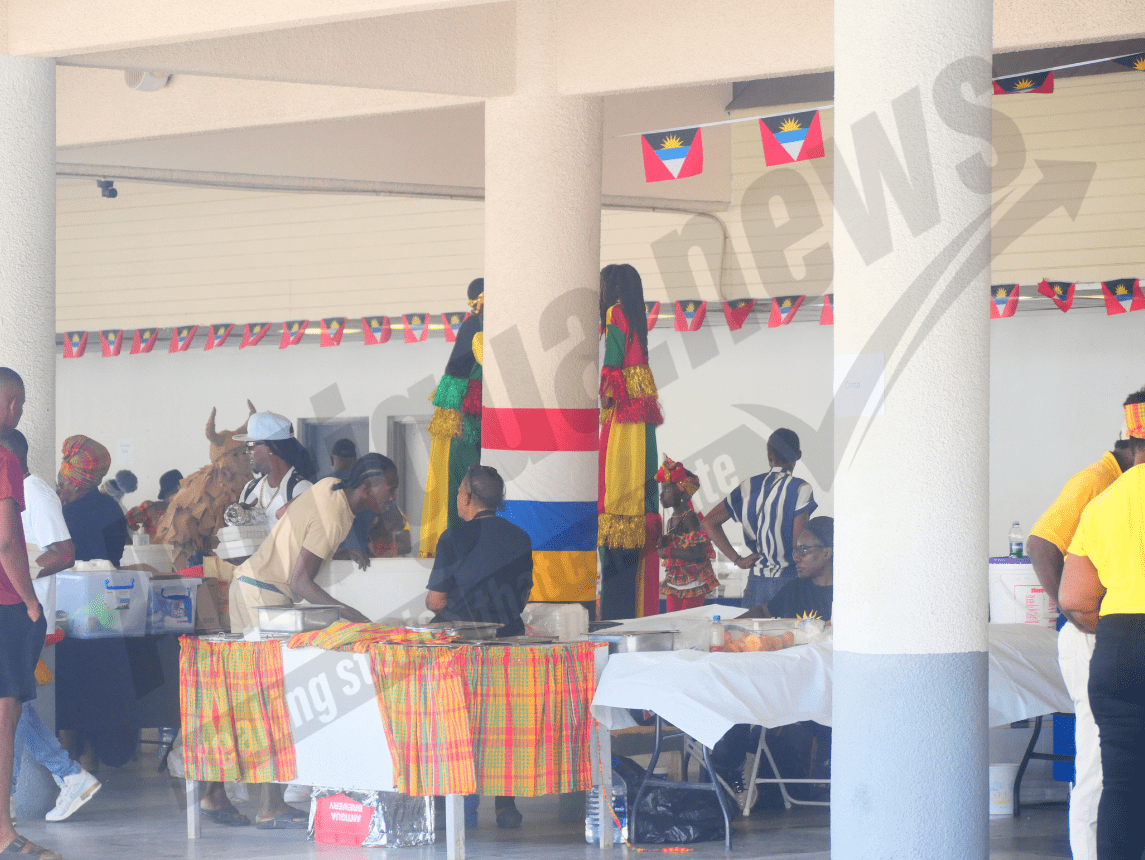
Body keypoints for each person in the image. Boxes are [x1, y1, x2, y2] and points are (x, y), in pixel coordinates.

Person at [200, 454, 398, 830]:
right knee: (274, 701)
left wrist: (338, 549)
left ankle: (221, 795)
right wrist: (352, 615)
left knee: (251, 699)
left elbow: (286, 518)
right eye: (391, 488)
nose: (392, 497)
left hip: (249, 584)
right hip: (266, 597)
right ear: (368, 486)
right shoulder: (336, 515)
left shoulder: (328, 487)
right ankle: (266, 804)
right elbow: (303, 582)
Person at [1028, 434, 1138, 860]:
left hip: (1112, 633)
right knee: (1098, 761)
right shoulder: (1095, 482)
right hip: (1095, 631)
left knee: (1119, 768)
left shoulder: (1119, 487)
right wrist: (1081, 617)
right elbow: (1040, 542)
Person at [1059, 391, 1145, 860]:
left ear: (1132, 445)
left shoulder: (1103, 503)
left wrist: (1115, 627)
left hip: (1119, 650)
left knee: (1123, 787)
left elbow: (1074, 599)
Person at [0, 430, 100, 824]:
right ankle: (66, 775)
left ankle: (59, 777)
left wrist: (20, 581)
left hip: (25, 611)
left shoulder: (34, 493)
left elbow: (64, 554)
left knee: (11, 701)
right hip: (16, 607)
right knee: (14, 702)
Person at [425, 465, 532, 829]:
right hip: (508, 644)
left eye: (459, 492)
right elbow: (523, 593)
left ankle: (448, 803)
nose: (457, 498)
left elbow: (436, 602)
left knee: (452, 725)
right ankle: (506, 806)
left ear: (467, 497)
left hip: (461, 648)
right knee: (505, 726)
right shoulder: (520, 537)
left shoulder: (454, 537)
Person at [712, 517, 835, 803]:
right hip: (788, 688)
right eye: (795, 551)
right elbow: (764, 612)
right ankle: (726, 773)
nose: (797, 558)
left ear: (827, 552)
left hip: (826, 694)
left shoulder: (850, 594)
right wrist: (722, 628)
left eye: (805, 550)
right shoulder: (794, 590)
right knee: (739, 697)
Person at [0, 369, 60, 860]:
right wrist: (29, 600)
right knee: (5, 715)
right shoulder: (5, 460)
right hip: (6, 601)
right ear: (11, 403)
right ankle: (4, 831)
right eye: (17, 403)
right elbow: (6, 539)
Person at [598, 264, 663, 619]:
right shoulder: (637, 316)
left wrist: (605, 393)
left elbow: (613, 359)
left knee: (613, 488)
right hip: (640, 426)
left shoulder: (615, 312)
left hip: (623, 418)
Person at [703, 428, 816, 606]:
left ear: (769, 455)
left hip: (756, 581)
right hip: (789, 580)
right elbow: (797, 543)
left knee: (751, 633)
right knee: (786, 633)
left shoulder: (748, 486)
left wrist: (737, 560)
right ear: (798, 455)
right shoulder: (801, 488)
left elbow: (709, 522)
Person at [420, 277, 485, 557]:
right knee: (464, 481)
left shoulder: (480, 325)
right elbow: (490, 359)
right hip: (464, 419)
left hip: (476, 416)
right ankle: (461, 545)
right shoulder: (476, 326)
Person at [234, 411, 315, 537]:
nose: (247, 451)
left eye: (250, 445)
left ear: (272, 447)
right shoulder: (250, 489)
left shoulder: (301, 489)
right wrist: (240, 518)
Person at [655, 456, 717, 612]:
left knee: (686, 624)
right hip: (676, 582)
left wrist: (668, 551)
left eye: (667, 490)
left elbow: (698, 552)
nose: (661, 495)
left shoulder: (690, 518)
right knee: (673, 622)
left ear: (683, 494)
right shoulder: (671, 521)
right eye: (662, 490)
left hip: (693, 581)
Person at [57, 435, 128, 568]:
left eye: (61, 485)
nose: (59, 492)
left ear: (76, 485)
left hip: (78, 583)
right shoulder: (113, 508)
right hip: (111, 582)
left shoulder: (69, 513)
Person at [125, 469, 183, 540]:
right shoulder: (150, 508)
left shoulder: (186, 511)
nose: (180, 491)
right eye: (178, 488)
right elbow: (123, 524)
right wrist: (129, 548)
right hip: (154, 550)